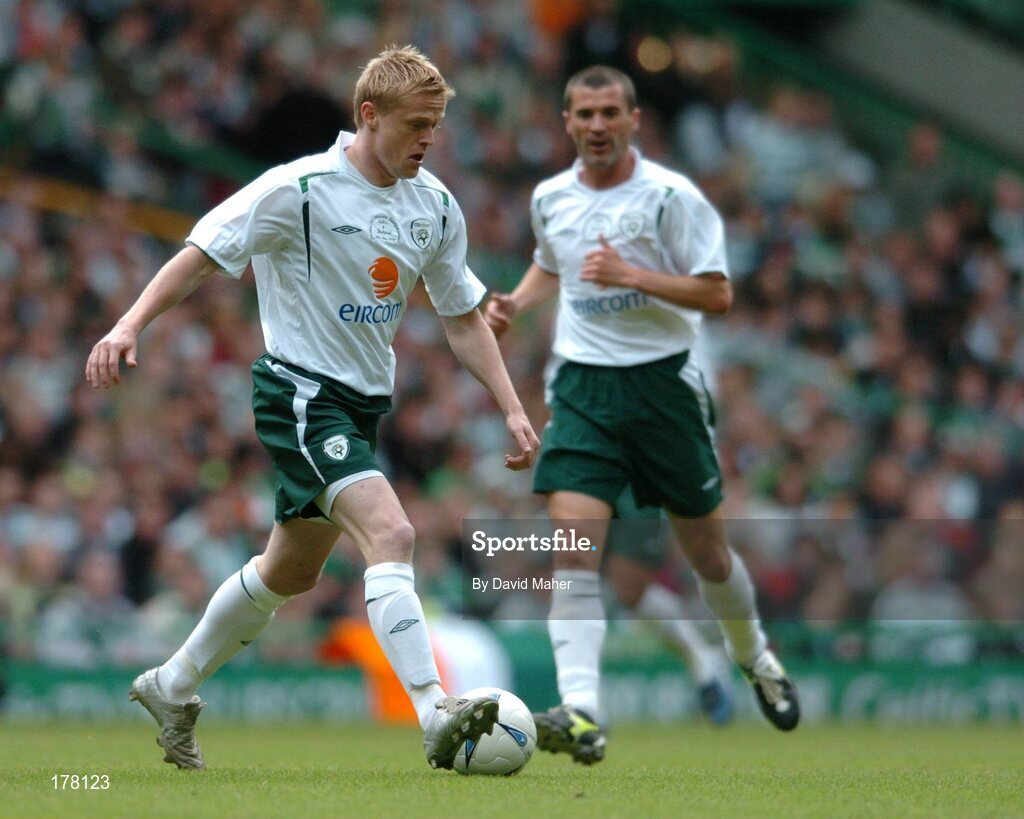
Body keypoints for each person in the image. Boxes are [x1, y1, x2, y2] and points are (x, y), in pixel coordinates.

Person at [85, 45, 540, 771]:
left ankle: (171, 685)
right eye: (416, 123)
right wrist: (129, 323)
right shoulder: (295, 189)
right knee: (391, 531)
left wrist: (512, 407)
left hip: (361, 407)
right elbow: (201, 252)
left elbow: (460, 316)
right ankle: (433, 707)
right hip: (298, 392)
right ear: (369, 114)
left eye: (437, 124)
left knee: (288, 572)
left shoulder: (435, 205)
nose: (428, 137)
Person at [484, 65, 799, 764]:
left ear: (633, 121)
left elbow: (717, 295)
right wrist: (515, 302)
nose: (596, 125)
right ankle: (584, 711)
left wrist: (635, 276)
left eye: (609, 113)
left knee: (708, 555)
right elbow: (552, 264)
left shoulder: (671, 198)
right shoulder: (550, 198)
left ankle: (755, 657)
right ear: (565, 121)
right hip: (583, 389)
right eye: (584, 113)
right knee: (574, 550)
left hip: (664, 391)